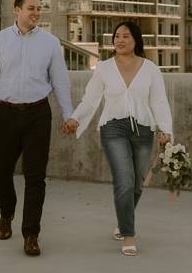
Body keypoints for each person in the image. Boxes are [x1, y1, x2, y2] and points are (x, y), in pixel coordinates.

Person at [0, 0, 73, 257]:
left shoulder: (51, 43)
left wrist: (69, 114)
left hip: (37, 115)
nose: (36, 12)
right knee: (2, 170)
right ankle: (6, 214)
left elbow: (60, 82)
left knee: (35, 176)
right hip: (5, 114)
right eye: (31, 8)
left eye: (39, 8)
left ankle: (31, 233)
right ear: (17, 10)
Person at [62, 21, 173, 256]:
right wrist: (75, 119)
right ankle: (128, 235)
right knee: (124, 180)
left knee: (137, 183)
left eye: (125, 36)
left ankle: (123, 220)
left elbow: (159, 101)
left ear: (135, 40)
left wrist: (165, 129)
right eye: (116, 36)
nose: (119, 40)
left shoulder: (151, 68)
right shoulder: (104, 68)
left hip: (143, 129)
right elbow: (90, 100)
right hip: (113, 128)